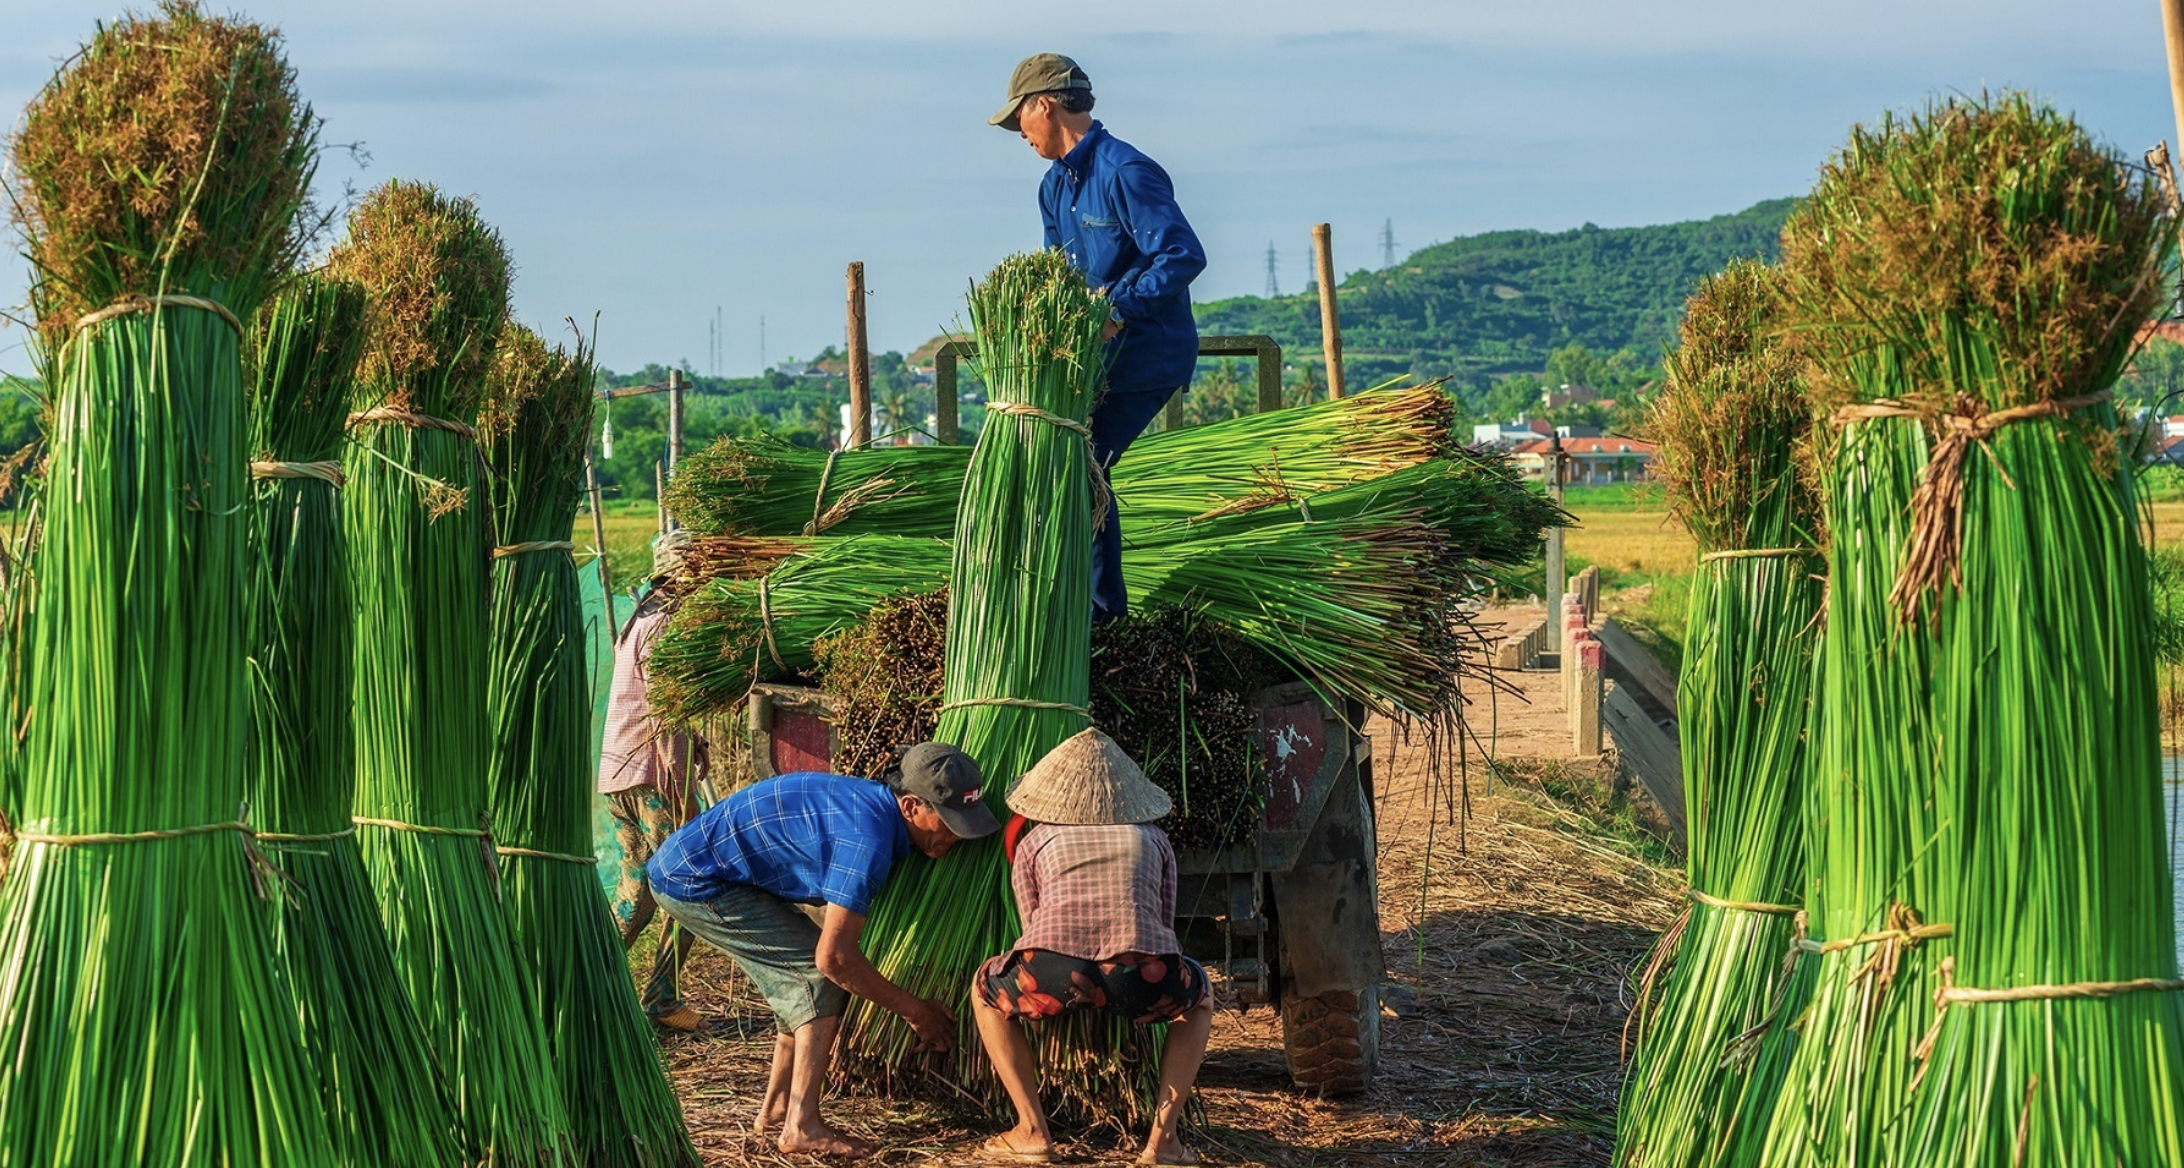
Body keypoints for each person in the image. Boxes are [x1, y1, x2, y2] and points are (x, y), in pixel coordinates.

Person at [648, 742, 1000, 1157]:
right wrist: (917, 1012)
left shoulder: (873, 809)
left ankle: (777, 1111)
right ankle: (802, 1126)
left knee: (796, 978)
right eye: (951, 823)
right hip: (696, 880)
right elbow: (834, 959)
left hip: (716, 871)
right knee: (816, 978)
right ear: (910, 806)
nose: (957, 837)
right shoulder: (867, 840)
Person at [989, 52, 1207, 623]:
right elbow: (1057, 276)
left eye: (1019, 119)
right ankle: (1075, 603)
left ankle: (1102, 615)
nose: (1019, 133)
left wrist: (1119, 309)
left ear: (1045, 105)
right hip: (1093, 356)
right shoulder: (1052, 188)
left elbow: (1182, 254)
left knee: (1081, 462)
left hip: (1147, 353)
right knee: (1062, 459)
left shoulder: (1125, 171)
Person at [969, 729, 1213, 1166]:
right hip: (1140, 973)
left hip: (1054, 971)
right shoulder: (1153, 838)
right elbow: (1163, 922)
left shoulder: (1035, 840)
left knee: (984, 989)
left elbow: (1031, 925)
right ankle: (1163, 1143)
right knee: (1200, 999)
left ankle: (1031, 1131)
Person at [598, 530, 707, 1032]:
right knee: (694, 881)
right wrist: (682, 791)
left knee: (637, 887)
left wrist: (694, 739)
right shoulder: (665, 623)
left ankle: (592, 981)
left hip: (619, 773)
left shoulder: (641, 615)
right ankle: (662, 1000)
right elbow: (666, 714)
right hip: (650, 778)